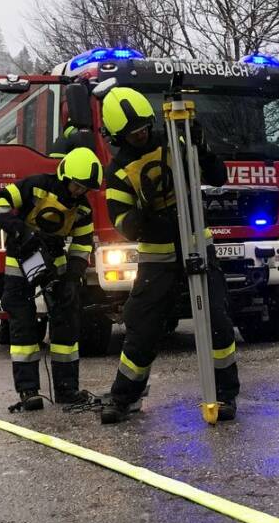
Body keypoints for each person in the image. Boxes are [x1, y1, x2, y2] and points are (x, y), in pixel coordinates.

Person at [97, 86, 241, 424]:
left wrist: (201, 146)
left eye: (145, 128)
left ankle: (225, 395)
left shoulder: (176, 139)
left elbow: (218, 177)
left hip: (197, 245)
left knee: (217, 323)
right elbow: (124, 223)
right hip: (157, 258)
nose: (142, 135)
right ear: (119, 137)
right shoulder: (118, 171)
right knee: (142, 329)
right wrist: (147, 214)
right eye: (133, 134)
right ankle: (125, 397)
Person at [0, 147, 101, 411]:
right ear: (65, 175)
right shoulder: (36, 186)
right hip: (20, 261)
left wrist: (73, 275)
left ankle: (66, 390)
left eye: (84, 188)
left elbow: (82, 244)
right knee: (23, 327)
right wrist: (20, 230)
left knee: (66, 325)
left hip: (56, 262)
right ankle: (28, 391)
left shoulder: (83, 208)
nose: (78, 192)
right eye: (76, 185)